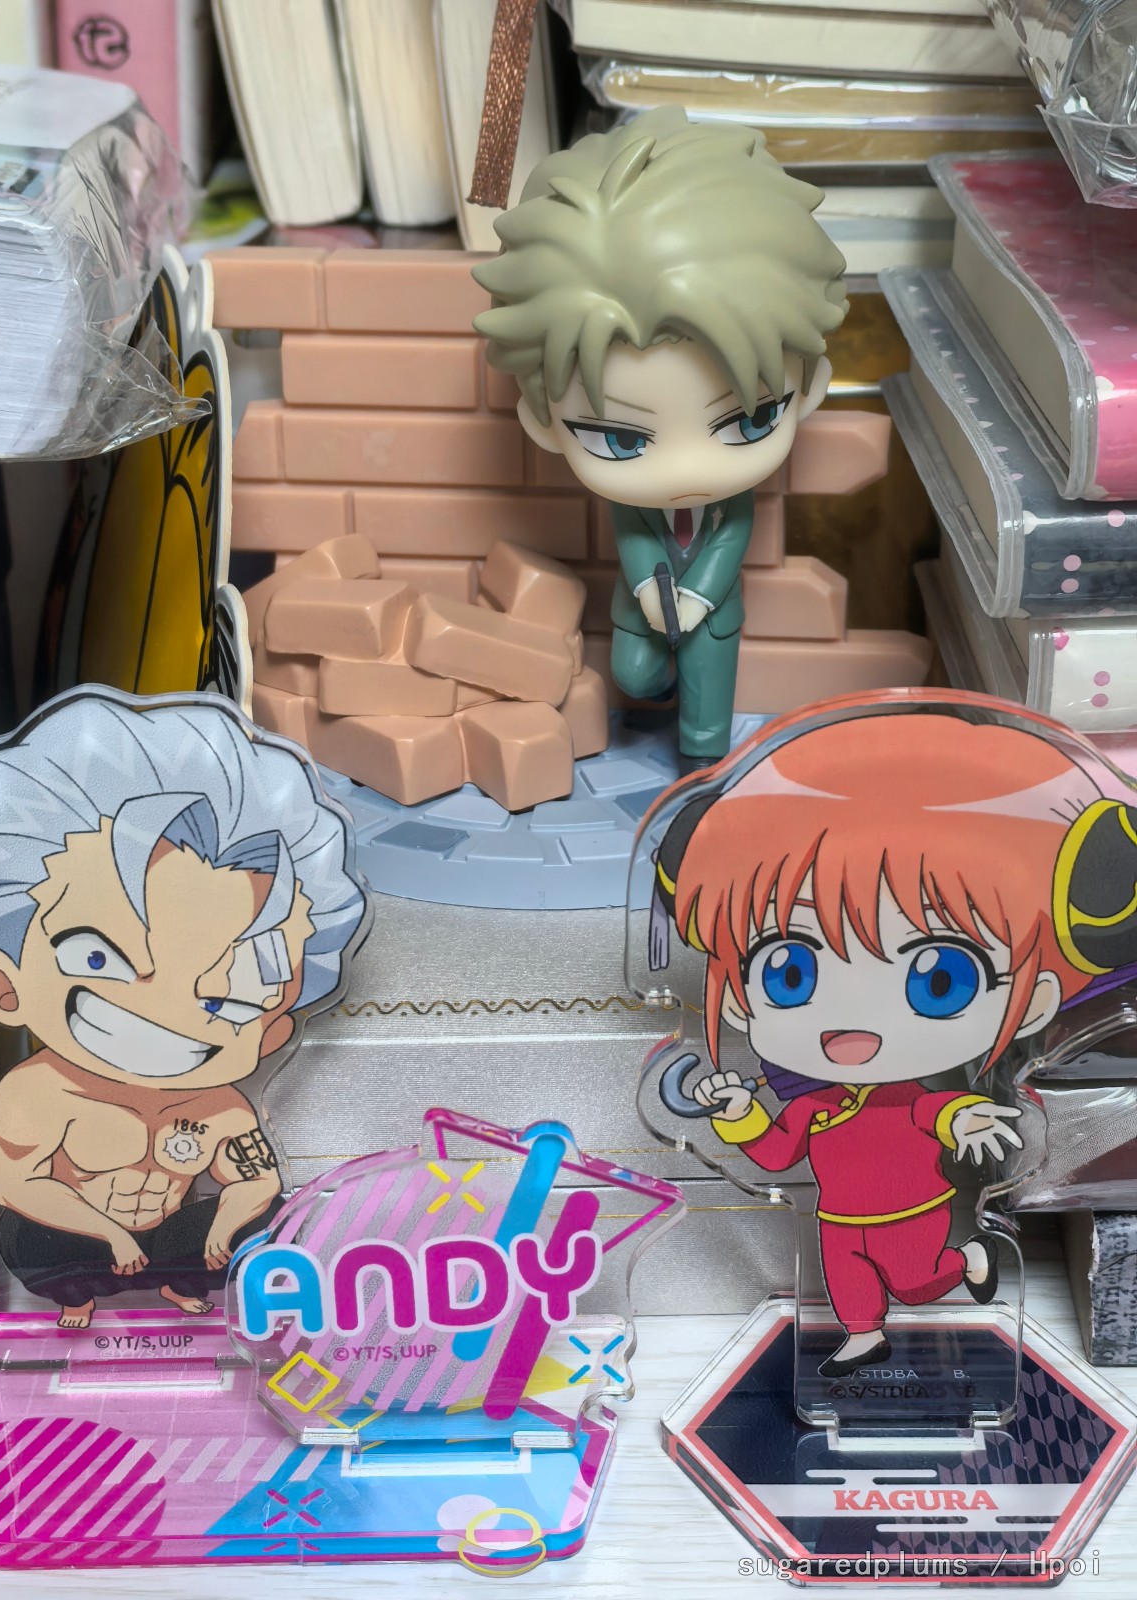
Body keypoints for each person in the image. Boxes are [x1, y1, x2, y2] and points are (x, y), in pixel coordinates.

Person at [653, 709, 1097, 1375]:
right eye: (790, 972)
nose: (853, 1020)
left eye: (939, 981)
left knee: (918, 1282)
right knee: (851, 1286)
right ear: (742, 997)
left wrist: (963, 1117)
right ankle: (863, 1336)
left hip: (917, 1213)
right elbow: (774, 1153)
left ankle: (967, 1259)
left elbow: (932, 1109)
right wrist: (737, 1111)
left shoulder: (905, 1098)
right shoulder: (814, 1107)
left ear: (1030, 1001)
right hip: (838, 1222)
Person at [0, 691, 366, 1329]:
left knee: (259, 1227)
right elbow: (16, 1184)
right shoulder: (36, 1093)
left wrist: (219, 1223)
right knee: (28, 1240)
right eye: (100, 958)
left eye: (231, 996)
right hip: (77, 1240)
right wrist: (109, 1234)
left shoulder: (224, 1107)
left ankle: (177, 1284)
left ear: (273, 1027)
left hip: (166, 1235)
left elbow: (257, 1179)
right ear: (3, 987)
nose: (169, 1010)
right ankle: (76, 1298)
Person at [473, 107, 848, 774]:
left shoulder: (728, 501)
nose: (684, 471)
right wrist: (650, 589)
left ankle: (703, 768)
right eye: (619, 439)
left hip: (713, 607)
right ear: (542, 422)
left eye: (749, 421)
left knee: (709, 692)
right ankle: (661, 686)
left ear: (811, 387)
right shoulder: (633, 504)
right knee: (635, 673)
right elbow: (632, 529)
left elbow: (731, 533)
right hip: (642, 604)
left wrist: (698, 596)